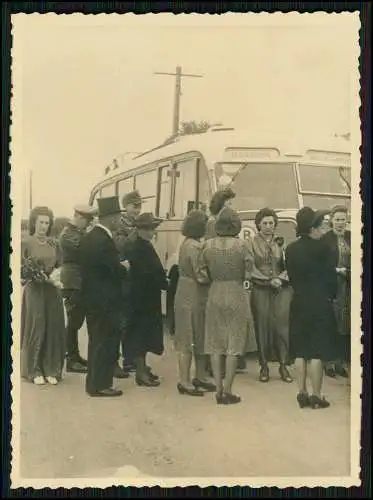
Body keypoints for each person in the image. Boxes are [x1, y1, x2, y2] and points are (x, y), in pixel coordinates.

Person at [197, 208, 253, 405]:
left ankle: (218, 388)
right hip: (236, 292)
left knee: (214, 343)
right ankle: (228, 390)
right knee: (233, 344)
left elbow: (201, 275)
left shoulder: (207, 245)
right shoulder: (242, 245)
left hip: (215, 292)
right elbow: (249, 272)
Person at [285, 207, 338, 409]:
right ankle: (316, 395)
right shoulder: (324, 249)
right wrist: (330, 296)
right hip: (319, 303)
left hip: (298, 301)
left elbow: (290, 276)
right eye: (321, 224)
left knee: (300, 351)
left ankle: (302, 392)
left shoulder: (290, 249)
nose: (323, 228)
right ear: (313, 228)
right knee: (316, 352)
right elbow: (331, 279)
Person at [80, 196, 130, 397]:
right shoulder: (105, 241)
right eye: (118, 215)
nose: (119, 220)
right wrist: (124, 267)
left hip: (92, 298)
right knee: (106, 341)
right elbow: (113, 270)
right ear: (110, 218)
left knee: (96, 341)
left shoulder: (89, 237)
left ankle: (93, 383)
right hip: (106, 300)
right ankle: (101, 385)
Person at [120, 213, 168, 387]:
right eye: (149, 229)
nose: (152, 232)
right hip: (141, 298)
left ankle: (143, 367)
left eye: (152, 228)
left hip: (144, 297)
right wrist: (163, 281)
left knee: (144, 333)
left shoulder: (141, 245)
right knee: (140, 335)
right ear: (140, 230)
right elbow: (145, 273)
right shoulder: (138, 248)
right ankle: (140, 372)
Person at [21, 206, 66, 385]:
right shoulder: (26, 242)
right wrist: (34, 275)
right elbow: (21, 269)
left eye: (47, 223)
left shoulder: (54, 243)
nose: (44, 226)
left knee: (53, 327)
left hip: (52, 290)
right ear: (34, 223)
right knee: (36, 326)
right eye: (41, 222)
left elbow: (60, 264)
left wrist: (55, 275)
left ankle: (51, 368)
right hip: (35, 290)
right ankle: (34, 370)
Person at [174, 210, 216, 397]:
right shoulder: (195, 247)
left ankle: (197, 376)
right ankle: (186, 380)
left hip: (185, 290)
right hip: (194, 293)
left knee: (194, 335)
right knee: (191, 336)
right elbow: (201, 275)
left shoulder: (187, 244)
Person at [249, 207, 293, 383]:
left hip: (281, 289)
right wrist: (268, 279)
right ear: (258, 224)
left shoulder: (281, 242)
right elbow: (249, 267)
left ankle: (283, 366)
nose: (268, 226)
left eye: (271, 223)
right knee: (262, 327)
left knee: (282, 327)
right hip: (260, 288)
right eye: (265, 223)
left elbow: (289, 265)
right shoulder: (250, 243)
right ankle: (264, 366)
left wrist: (280, 278)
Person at [59, 204, 97, 373]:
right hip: (73, 281)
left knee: (77, 320)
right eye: (87, 220)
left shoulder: (77, 233)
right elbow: (84, 249)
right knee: (74, 321)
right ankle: (71, 359)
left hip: (78, 280)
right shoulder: (68, 234)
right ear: (79, 217)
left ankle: (75, 356)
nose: (88, 224)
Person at [113, 190, 143, 377]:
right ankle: (117, 359)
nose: (137, 210)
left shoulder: (136, 224)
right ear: (126, 206)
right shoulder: (120, 225)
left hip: (135, 277)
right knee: (121, 321)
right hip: (123, 276)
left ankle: (129, 358)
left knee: (132, 319)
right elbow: (119, 247)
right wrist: (134, 235)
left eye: (139, 206)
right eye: (134, 206)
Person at [322, 205, 351, 380]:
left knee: (345, 325)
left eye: (343, 219)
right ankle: (328, 363)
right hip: (331, 286)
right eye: (337, 219)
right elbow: (321, 264)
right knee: (330, 323)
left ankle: (341, 362)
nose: (340, 223)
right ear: (331, 220)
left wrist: (347, 272)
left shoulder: (352, 237)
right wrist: (335, 271)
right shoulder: (325, 239)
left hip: (348, 286)